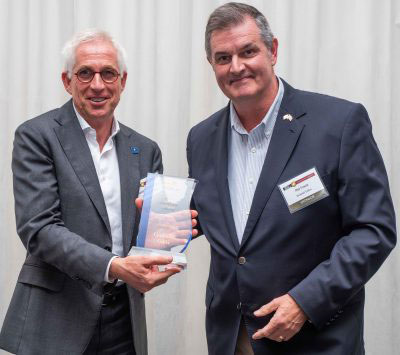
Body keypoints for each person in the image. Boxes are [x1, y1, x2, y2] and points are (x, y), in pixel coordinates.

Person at [186, 2, 396, 354]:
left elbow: (374, 231)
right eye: (223, 58)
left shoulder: (339, 123)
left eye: (248, 51)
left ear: (273, 51)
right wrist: (162, 218)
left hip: (316, 339)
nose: (236, 67)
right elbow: (219, 221)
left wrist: (305, 301)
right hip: (232, 337)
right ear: (212, 65)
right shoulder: (201, 137)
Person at [0, 29, 196, 355]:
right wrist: (115, 266)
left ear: (122, 81)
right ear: (67, 80)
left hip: (124, 317)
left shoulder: (145, 149)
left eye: (108, 73)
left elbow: (149, 233)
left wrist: (168, 239)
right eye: (85, 73)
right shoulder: (37, 136)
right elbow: (39, 229)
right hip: (57, 317)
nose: (97, 85)